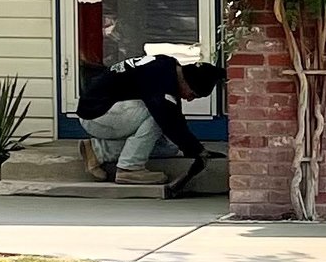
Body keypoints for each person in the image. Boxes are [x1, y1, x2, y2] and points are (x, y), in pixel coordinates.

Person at [78, 56, 222, 192]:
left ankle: (98, 151)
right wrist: (196, 149)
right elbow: (168, 119)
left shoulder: (168, 68)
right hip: (96, 114)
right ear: (187, 82)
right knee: (157, 115)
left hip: (112, 112)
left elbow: (176, 119)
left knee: (169, 147)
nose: (189, 100)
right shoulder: (160, 79)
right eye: (192, 95)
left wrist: (196, 149)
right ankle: (129, 169)